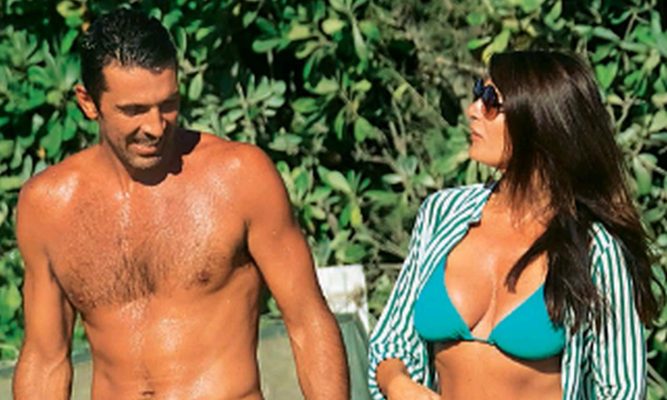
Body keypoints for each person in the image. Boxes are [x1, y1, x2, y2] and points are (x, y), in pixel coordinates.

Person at [12, 9, 349, 400]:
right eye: (133, 110)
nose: (155, 127)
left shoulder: (239, 176)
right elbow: (45, 360)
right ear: (88, 103)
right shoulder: (48, 206)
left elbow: (308, 319)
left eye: (168, 104)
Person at [367, 50, 664, 400]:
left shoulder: (595, 249)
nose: (473, 109)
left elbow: (621, 390)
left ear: (539, 120)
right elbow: (392, 340)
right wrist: (397, 383)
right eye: (478, 92)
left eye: (491, 101)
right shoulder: (442, 214)